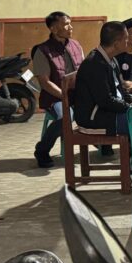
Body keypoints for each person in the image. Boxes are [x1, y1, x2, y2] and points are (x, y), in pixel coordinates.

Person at [74, 21, 132, 162]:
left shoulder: (111, 59)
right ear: (116, 43)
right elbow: (105, 101)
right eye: (125, 38)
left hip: (110, 112)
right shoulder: (95, 63)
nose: (128, 41)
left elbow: (121, 90)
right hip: (95, 118)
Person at [33, 11, 85, 168]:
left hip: (78, 94)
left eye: (70, 23)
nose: (71, 27)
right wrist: (64, 96)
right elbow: (45, 82)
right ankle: (42, 150)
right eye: (66, 24)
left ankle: (103, 144)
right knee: (65, 118)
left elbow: (83, 71)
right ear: (54, 29)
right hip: (55, 97)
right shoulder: (42, 51)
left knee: (102, 107)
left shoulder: (76, 45)